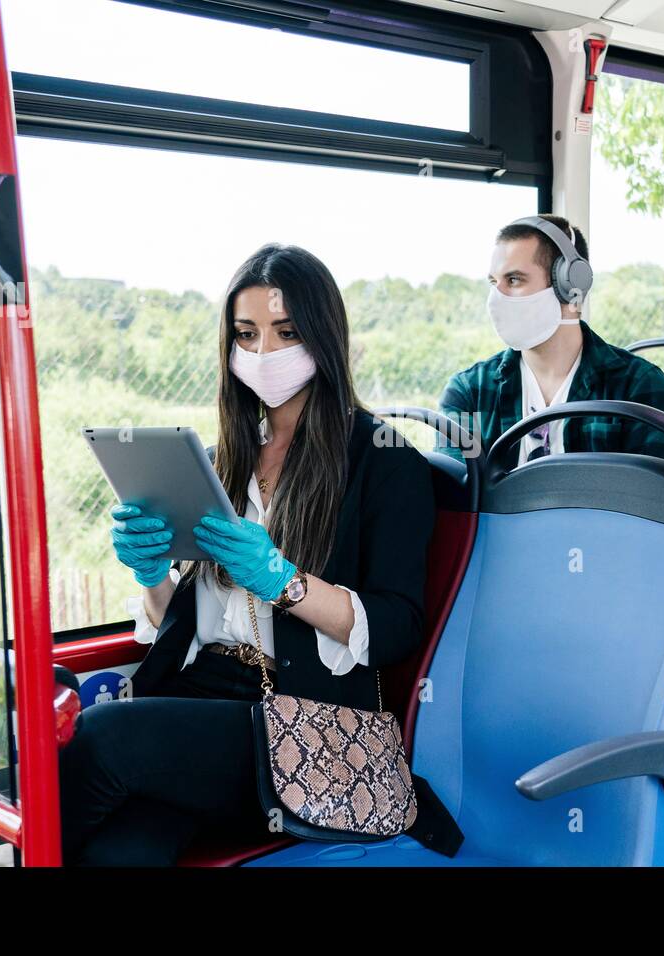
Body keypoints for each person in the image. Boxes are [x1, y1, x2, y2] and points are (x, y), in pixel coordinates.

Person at [58, 243, 437, 866]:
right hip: (199, 694)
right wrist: (154, 576)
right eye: (246, 334)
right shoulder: (221, 459)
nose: (264, 353)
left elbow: (397, 626)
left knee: (94, 737)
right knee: (118, 852)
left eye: (285, 332)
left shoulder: (385, 461)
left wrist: (283, 581)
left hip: (298, 719)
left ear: (323, 334)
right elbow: (179, 625)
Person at [437, 214, 664, 469]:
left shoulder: (637, 387)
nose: (495, 298)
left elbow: (652, 501)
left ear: (569, 284)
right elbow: (454, 501)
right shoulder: (468, 391)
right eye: (493, 282)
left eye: (514, 280)